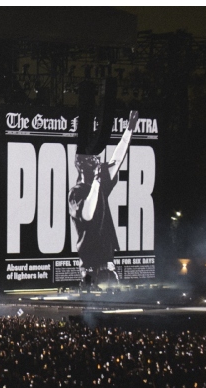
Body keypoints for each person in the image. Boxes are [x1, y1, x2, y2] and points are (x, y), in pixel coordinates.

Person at [67, 110, 138, 287]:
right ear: (81, 165)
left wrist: (129, 130)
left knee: (112, 292)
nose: (97, 161)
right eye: (92, 160)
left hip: (106, 253)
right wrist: (97, 182)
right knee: (89, 293)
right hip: (89, 256)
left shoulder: (100, 180)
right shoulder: (76, 192)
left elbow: (118, 158)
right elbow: (88, 214)